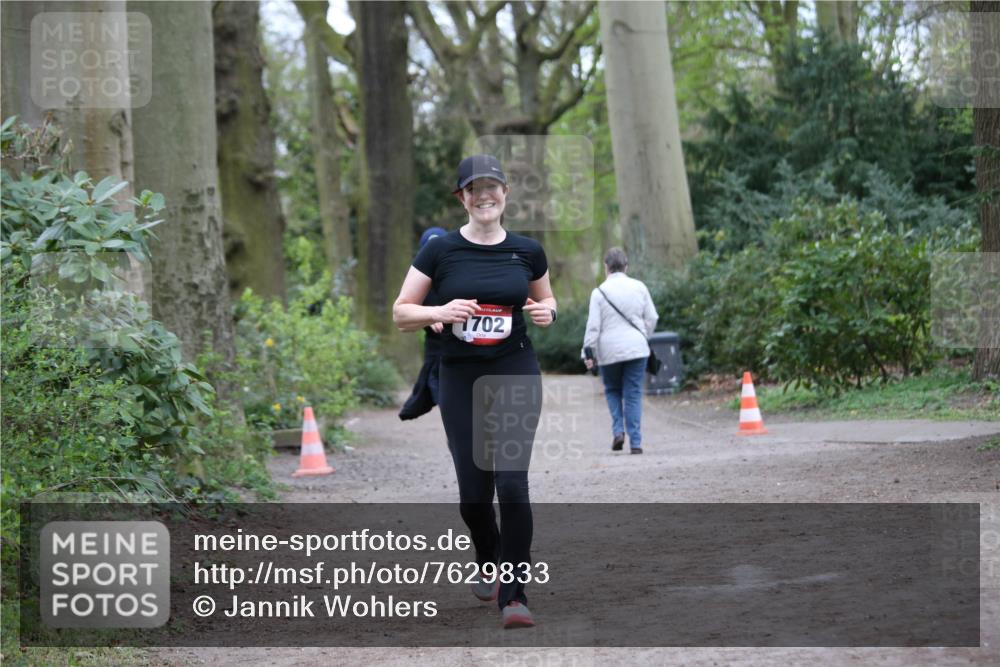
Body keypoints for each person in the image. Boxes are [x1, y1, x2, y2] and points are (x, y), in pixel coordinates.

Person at [392, 154, 557, 629]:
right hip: (461, 375)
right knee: (473, 495)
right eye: (474, 189)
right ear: (462, 197)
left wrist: (549, 312)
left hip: (514, 368)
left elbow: (545, 299)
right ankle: (487, 553)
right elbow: (402, 313)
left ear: (505, 194)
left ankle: (515, 595)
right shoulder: (439, 251)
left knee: (511, 481)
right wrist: (440, 311)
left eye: (493, 187)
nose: (484, 196)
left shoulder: (527, 250)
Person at [581, 247, 658, 454]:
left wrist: (587, 351)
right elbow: (652, 317)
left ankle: (618, 431)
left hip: (609, 351)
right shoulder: (639, 287)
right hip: (637, 348)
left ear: (606, 268)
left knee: (613, 390)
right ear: (626, 266)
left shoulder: (599, 293)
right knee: (633, 393)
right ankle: (636, 442)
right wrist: (643, 336)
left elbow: (593, 326)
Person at [398, 227, 447, 421]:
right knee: (435, 387)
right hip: (435, 346)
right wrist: (430, 317)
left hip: (461, 344)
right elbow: (405, 314)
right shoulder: (418, 279)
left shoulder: (457, 274)